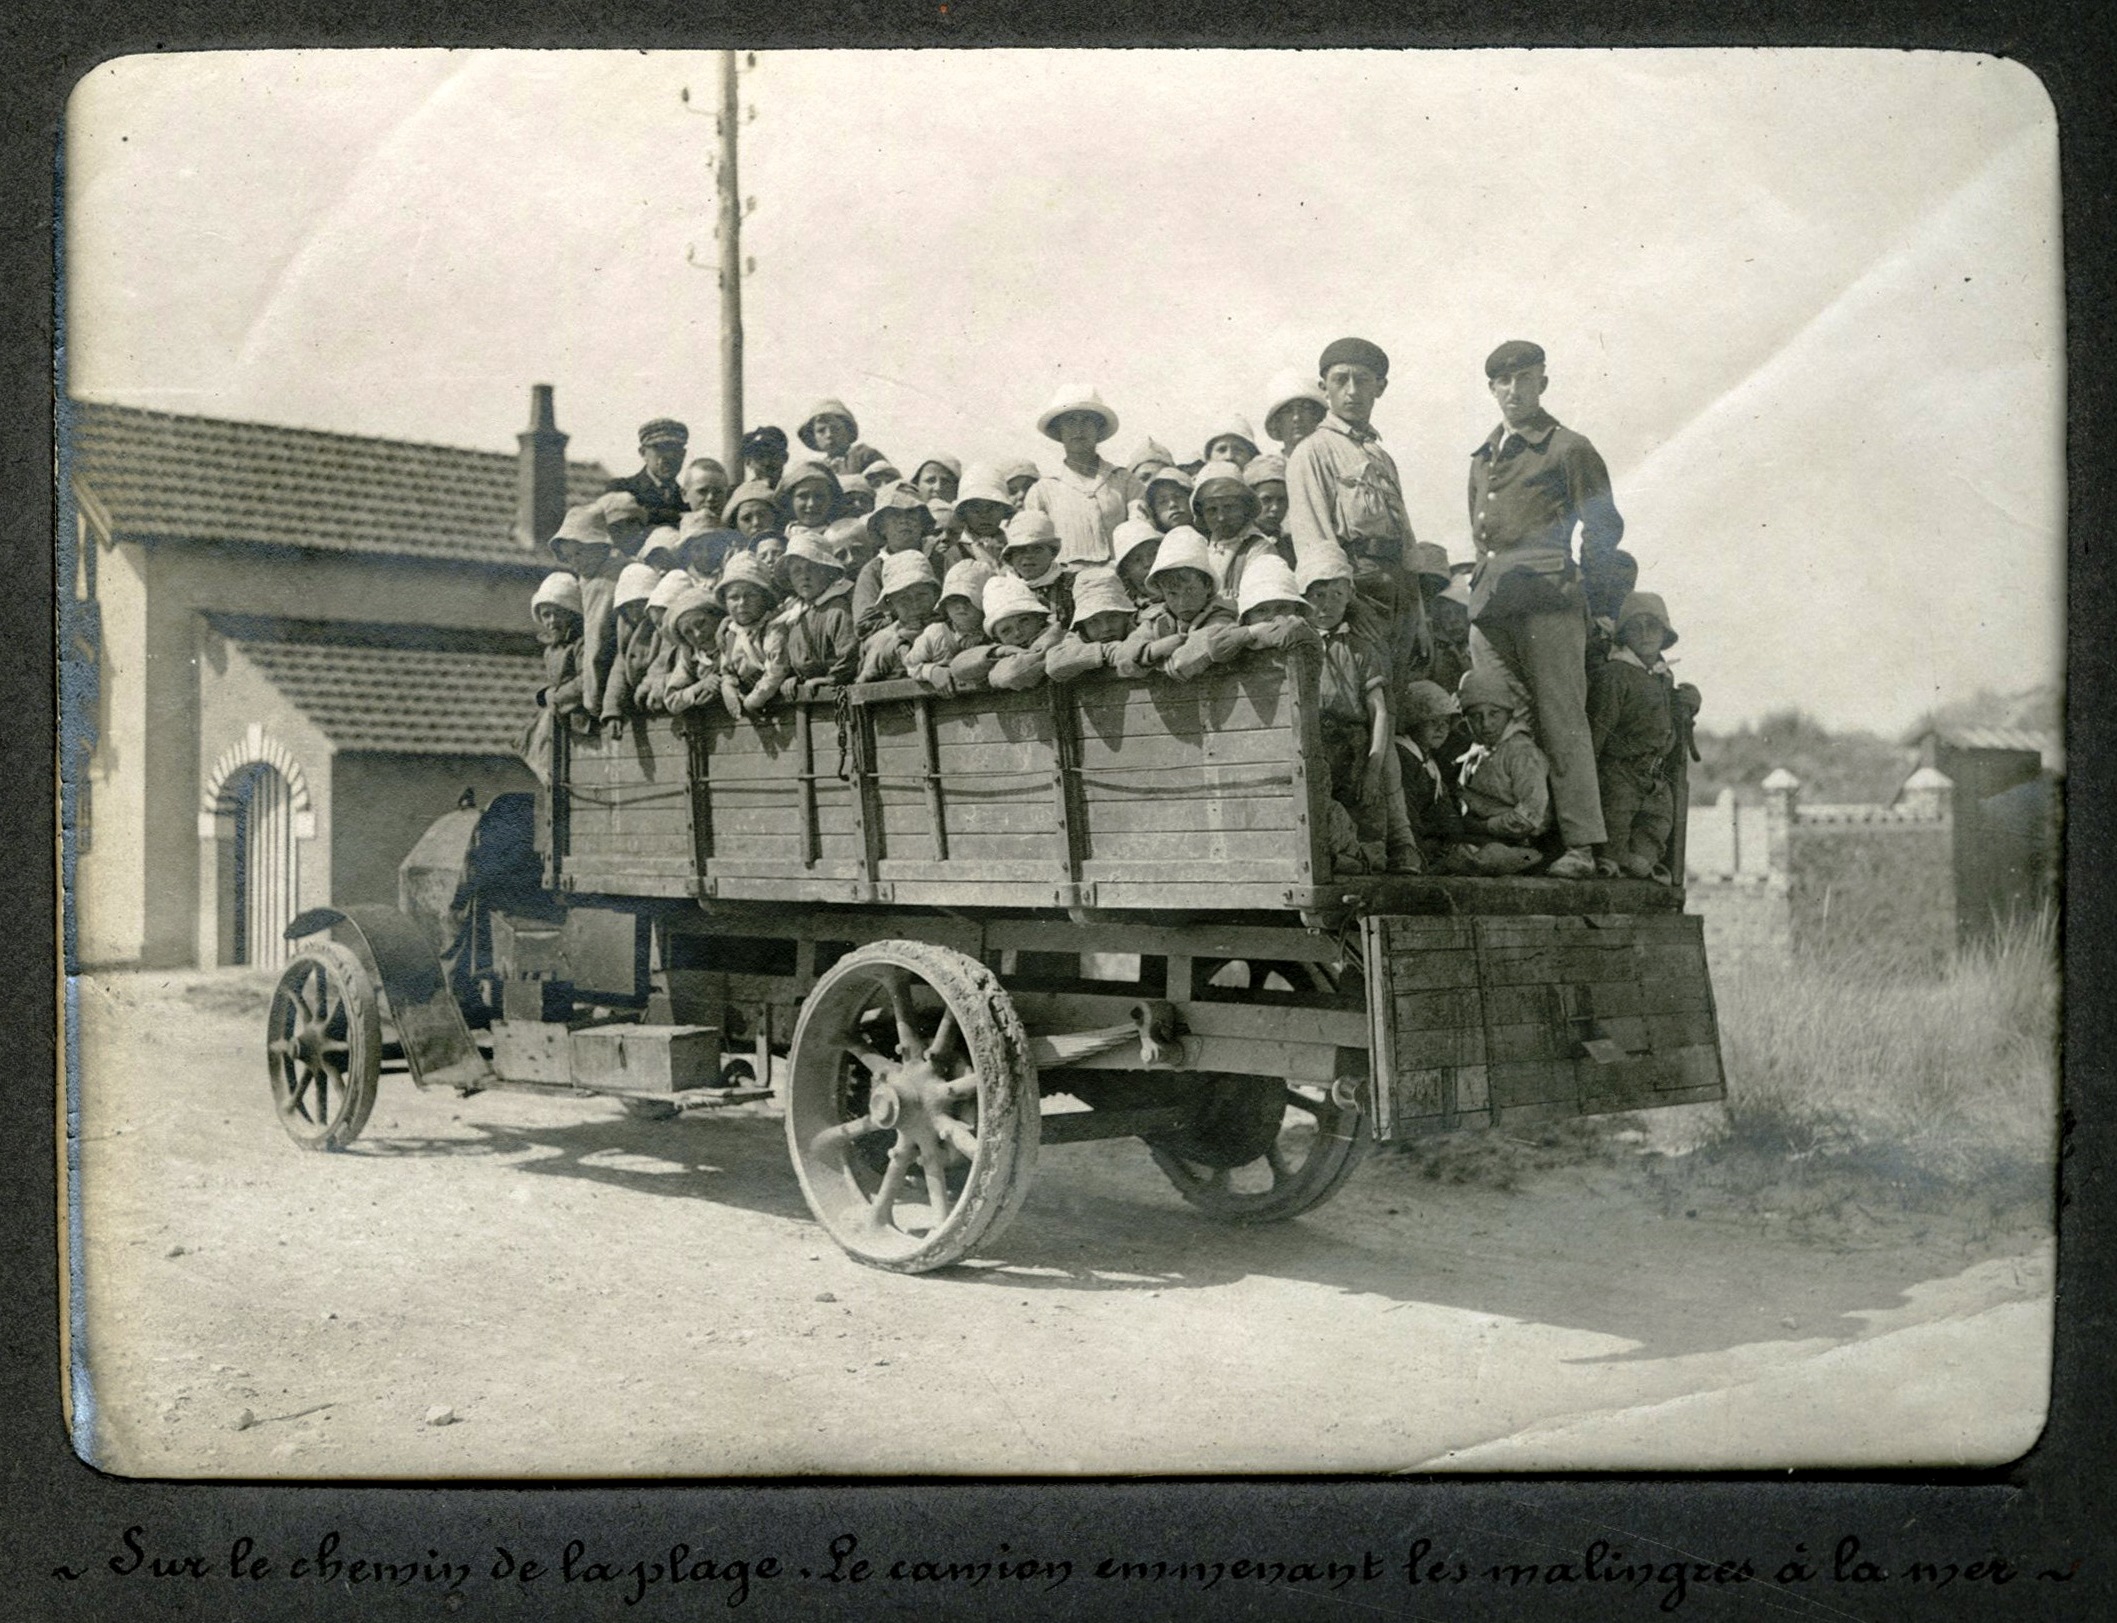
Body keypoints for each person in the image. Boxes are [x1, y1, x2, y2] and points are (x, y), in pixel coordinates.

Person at [1465, 339, 1625, 880]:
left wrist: (1600, 605)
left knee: (1562, 721)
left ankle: (1580, 845)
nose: (1514, 390)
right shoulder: (1484, 455)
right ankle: (1527, 837)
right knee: (1501, 724)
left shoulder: (1568, 448)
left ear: (1543, 383)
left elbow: (1602, 528)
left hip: (1548, 601)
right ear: (1491, 389)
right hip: (1490, 609)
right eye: (1503, 382)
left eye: (1525, 378)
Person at [1284, 336, 1428, 684]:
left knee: (1398, 698)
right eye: (1340, 380)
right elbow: (1313, 540)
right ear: (1324, 387)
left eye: (1362, 380)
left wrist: (1420, 613)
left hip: (1399, 588)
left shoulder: (1381, 457)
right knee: (1363, 695)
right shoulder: (1312, 451)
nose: (1352, 391)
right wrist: (1348, 604)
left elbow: (1406, 538)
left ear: (1380, 387)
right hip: (1357, 591)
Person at [1301, 546, 1418, 873]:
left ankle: (1363, 860)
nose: (1325, 605)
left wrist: (1372, 767)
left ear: (1350, 596)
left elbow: (1379, 710)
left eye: (1336, 595)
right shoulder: (1299, 648)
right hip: (1315, 746)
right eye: (1317, 594)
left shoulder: (1360, 649)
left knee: (1365, 821)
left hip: (1354, 749)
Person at [1587, 590, 1683, 881]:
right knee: (1611, 851)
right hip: (1619, 775)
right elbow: (1597, 731)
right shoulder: (1615, 674)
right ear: (1623, 633)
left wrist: (1686, 699)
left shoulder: (1662, 675)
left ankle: (1636, 865)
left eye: (1652, 625)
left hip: (1653, 779)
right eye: (1635, 626)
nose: (1644, 633)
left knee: (1652, 837)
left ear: (1664, 633)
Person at [1444, 665, 1554, 876]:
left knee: (1488, 859)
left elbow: (1529, 817)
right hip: (1481, 836)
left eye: (1494, 714)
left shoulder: (1521, 752)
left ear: (1508, 713)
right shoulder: (1477, 750)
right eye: (1475, 716)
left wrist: (1482, 827)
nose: (1486, 724)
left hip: (1523, 845)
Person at [1022, 385, 1141, 568]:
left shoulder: (1125, 481)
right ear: (1059, 431)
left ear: (1098, 428)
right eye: (1070, 421)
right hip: (1065, 587)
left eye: (1087, 421)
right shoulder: (1042, 491)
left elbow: (1140, 532)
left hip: (1120, 582)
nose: (1078, 429)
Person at [1115, 527, 1236, 678]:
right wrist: (1155, 650)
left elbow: (1186, 662)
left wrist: (1153, 663)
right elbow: (1122, 659)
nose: (1182, 602)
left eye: (1190, 591)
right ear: (1162, 592)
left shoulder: (1220, 615)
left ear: (1207, 586)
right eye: (1172, 594)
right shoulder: (1159, 618)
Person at [1191, 459, 1289, 601]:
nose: (1221, 517)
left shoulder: (1259, 549)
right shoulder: (1203, 548)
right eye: (1212, 510)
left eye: (1229, 507)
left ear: (1245, 507)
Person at [776, 534, 860, 697]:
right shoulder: (796, 614)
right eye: (797, 571)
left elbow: (850, 654)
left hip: (840, 693)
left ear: (829, 572)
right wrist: (794, 678)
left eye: (812, 568)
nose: (804, 576)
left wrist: (831, 678)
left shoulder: (837, 609)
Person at [1393, 679, 1467, 861]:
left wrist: (1454, 840)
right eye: (1432, 721)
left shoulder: (1429, 763)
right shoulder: (1404, 757)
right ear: (1413, 722)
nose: (1441, 728)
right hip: (1412, 843)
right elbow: (1406, 812)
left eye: (1446, 722)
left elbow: (1445, 811)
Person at [521, 570, 587, 777]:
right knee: (529, 736)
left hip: (581, 710)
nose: (551, 621)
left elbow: (587, 680)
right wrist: (547, 694)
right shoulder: (551, 650)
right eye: (546, 615)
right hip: (562, 710)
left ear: (572, 613)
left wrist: (556, 697)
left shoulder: (581, 645)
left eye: (558, 613)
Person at [851, 482, 936, 635]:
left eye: (911, 513)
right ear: (881, 526)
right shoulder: (873, 571)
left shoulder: (939, 558)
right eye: (895, 515)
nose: (904, 521)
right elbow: (864, 625)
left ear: (922, 522)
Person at [714, 554, 789, 720]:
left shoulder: (774, 628)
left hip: (777, 704)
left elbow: (776, 670)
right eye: (734, 597)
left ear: (765, 598)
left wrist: (753, 700)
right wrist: (728, 687)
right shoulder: (730, 634)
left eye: (750, 595)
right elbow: (727, 670)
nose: (741, 603)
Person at [962, 574, 1064, 692]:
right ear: (998, 637)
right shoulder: (1006, 650)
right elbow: (958, 668)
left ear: (1039, 618)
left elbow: (1013, 674)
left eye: (1024, 621)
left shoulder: (1054, 637)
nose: (1017, 633)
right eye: (1006, 630)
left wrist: (992, 673)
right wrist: (997, 652)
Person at [906, 558, 994, 692]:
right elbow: (911, 664)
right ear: (944, 605)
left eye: (968, 599)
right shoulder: (935, 634)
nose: (960, 606)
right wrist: (932, 672)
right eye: (953, 600)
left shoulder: (995, 631)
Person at [856, 551, 944, 681]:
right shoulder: (883, 641)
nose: (914, 604)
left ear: (935, 594)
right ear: (891, 603)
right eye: (904, 599)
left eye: (921, 595)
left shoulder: (951, 626)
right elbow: (863, 687)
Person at [1044, 567, 1143, 683]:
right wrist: (1107, 651)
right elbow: (1054, 664)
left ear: (1126, 616)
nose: (1106, 628)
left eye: (1113, 617)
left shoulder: (1140, 631)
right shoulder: (1079, 638)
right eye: (1093, 622)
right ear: (1082, 625)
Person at [600, 560, 664, 724]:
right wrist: (612, 709)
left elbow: (662, 662)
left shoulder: (661, 629)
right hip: (639, 701)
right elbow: (620, 670)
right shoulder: (627, 632)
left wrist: (646, 687)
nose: (635, 612)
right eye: (629, 607)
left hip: (659, 695)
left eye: (640, 605)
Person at [605, 418, 691, 529]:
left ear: (684, 454)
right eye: (661, 449)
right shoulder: (622, 489)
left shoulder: (689, 499)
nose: (669, 456)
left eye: (675, 450)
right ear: (643, 453)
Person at [998, 509, 1075, 629]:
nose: (1028, 556)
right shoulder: (1003, 589)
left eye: (1037, 549)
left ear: (1052, 554)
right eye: (1020, 550)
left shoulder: (1072, 584)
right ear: (1011, 557)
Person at [660, 585, 728, 717]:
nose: (697, 634)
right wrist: (700, 686)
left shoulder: (735, 637)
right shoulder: (691, 656)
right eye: (688, 632)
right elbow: (671, 700)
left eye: (701, 623)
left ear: (716, 616)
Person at [635, 569, 692, 711]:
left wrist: (660, 683)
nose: (661, 630)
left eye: (665, 622)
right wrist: (646, 686)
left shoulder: (693, 645)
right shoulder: (667, 645)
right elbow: (657, 668)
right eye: (657, 624)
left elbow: (690, 676)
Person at [797, 398, 887, 480]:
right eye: (821, 431)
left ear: (848, 430)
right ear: (814, 437)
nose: (829, 435)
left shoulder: (864, 455)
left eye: (835, 429)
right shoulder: (818, 469)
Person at [951, 466, 1015, 568]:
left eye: (992, 507)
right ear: (964, 512)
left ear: (1004, 510)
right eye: (975, 508)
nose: (984, 515)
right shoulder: (954, 550)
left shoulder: (1014, 545)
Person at [777, 458, 843, 550]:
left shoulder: (841, 537)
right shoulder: (779, 541)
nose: (811, 504)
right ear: (790, 500)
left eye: (819, 496)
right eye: (803, 496)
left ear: (831, 500)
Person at [1262, 368, 1328, 456]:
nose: (1296, 417)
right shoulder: (1268, 467)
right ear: (1277, 422)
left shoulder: (1334, 463)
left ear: (1318, 415)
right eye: (1287, 411)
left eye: (1305, 409)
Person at [1110, 518, 1162, 607]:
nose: (1148, 563)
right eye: (1137, 559)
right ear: (1125, 572)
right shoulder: (1128, 611)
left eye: (1154, 554)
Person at [1245, 454, 1290, 541]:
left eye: (1282, 500)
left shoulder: (1291, 545)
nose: (1275, 508)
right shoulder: (1237, 544)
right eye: (1266, 500)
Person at [679, 457, 732, 524]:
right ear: (685, 495)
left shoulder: (734, 532)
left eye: (718, 491)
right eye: (702, 491)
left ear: (727, 495)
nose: (711, 498)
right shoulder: (672, 531)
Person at [740, 425, 789, 490]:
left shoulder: (796, 493)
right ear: (748, 462)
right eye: (760, 457)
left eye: (772, 455)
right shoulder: (741, 495)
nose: (767, 463)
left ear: (785, 457)